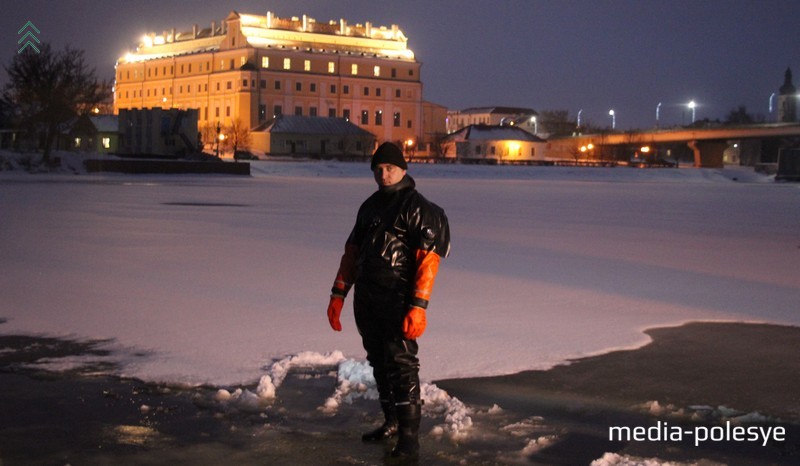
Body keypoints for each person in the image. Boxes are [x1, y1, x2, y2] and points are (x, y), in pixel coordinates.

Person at [326, 142, 450, 460]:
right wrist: (339, 293)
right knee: (379, 364)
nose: (384, 174)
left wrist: (418, 307)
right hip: (368, 300)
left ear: (403, 169)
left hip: (399, 300)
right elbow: (352, 254)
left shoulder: (417, 207)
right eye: (378, 169)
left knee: (402, 368)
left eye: (390, 168)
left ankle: (410, 438)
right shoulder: (368, 207)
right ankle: (392, 422)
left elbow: (427, 263)